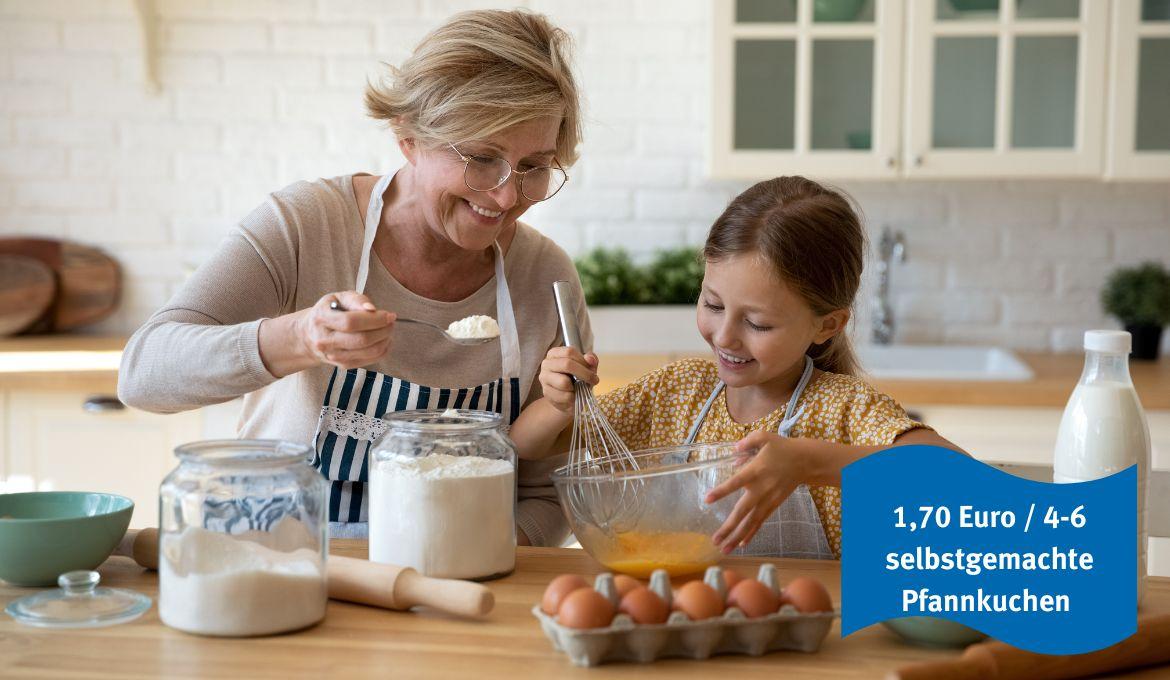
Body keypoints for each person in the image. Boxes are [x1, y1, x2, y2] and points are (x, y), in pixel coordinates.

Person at [118, 9, 592, 544]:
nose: (507, 196)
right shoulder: (306, 224)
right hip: (280, 570)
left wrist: (477, 560)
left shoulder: (545, 278)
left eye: (533, 166)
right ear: (408, 137)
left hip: (456, 594)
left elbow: (545, 494)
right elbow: (143, 373)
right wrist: (299, 337)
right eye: (482, 157)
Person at [509, 176, 963, 559]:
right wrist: (557, 402)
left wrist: (808, 462)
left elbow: (953, 473)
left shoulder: (841, 411)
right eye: (712, 303)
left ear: (827, 325)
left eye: (757, 323)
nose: (725, 336)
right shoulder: (676, 392)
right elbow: (526, 444)